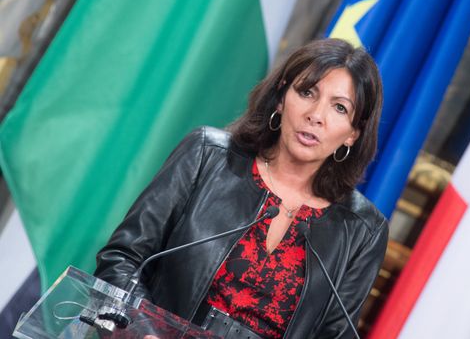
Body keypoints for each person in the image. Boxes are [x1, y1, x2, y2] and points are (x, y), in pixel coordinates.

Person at [94, 38, 388, 339]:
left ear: (354, 133)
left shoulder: (363, 229)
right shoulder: (205, 155)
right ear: (281, 98)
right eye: (306, 92)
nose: (316, 115)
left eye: (339, 107)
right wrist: (144, 331)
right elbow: (122, 258)